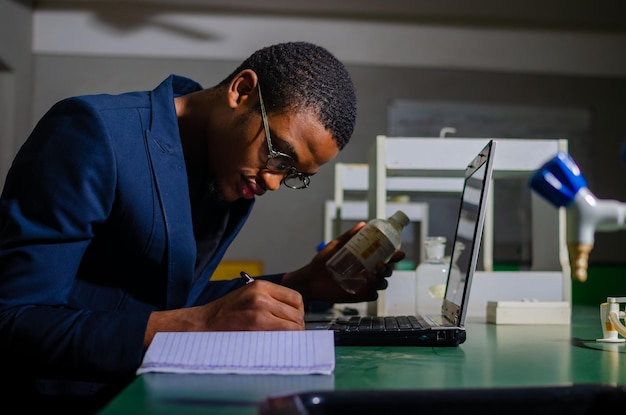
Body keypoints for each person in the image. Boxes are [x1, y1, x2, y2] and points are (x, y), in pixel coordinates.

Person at [0, 41, 404, 412]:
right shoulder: (93, 132)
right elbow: (12, 319)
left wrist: (304, 283)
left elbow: (162, 299)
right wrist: (198, 325)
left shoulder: (229, 173)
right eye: (279, 155)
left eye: (293, 173)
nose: (273, 182)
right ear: (241, 91)